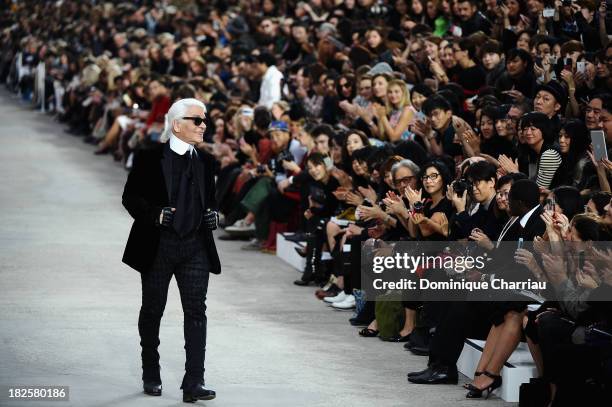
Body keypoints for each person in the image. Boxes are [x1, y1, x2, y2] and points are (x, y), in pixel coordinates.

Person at [122, 98, 219, 402]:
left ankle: (194, 382)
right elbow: (130, 197)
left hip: (195, 246)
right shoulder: (149, 157)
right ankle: (151, 371)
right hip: (158, 244)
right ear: (177, 124)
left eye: (205, 121)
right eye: (198, 120)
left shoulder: (206, 162)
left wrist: (213, 214)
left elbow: (210, 200)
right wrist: (154, 214)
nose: (204, 126)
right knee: (153, 309)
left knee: (196, 311)